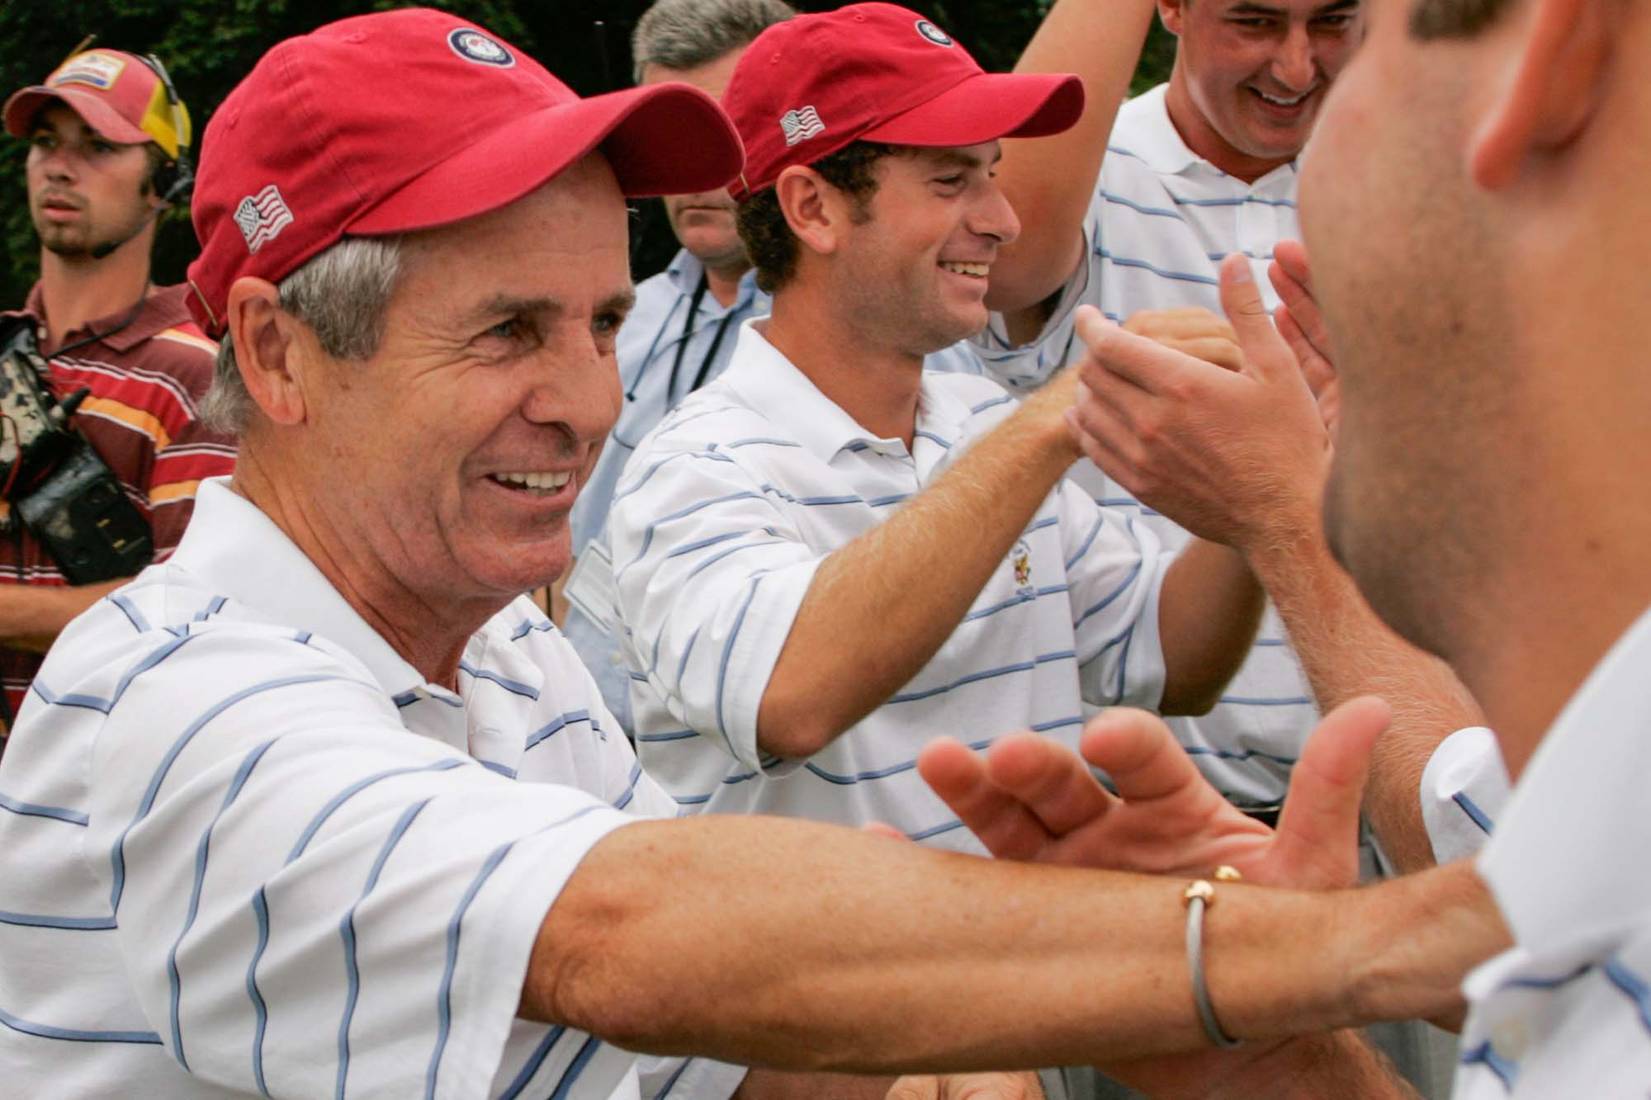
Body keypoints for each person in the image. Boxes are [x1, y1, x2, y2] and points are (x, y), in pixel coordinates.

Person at [0, 9, 1502, 1099]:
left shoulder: (503, 654)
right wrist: (1332, 946)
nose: (591, 401)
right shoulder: (178, 693)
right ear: (273, 348)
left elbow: (719, 1044)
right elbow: (624, 930)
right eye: (509, 331)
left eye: (600, 322)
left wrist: (966, 1049)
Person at [934, 0, 1651, 1085]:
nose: (1301, 72)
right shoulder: (1583, 802)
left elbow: (1496, 850)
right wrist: (1299, 1059)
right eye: (1255, 21)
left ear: (1557, 59)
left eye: (1356, 33)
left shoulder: (1571, 824)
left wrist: (1281, 500)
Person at [607, 2, 1306, 849]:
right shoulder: (693, 466)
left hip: (1025, 973)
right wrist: (1058, 415)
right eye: (951, 181)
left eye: (992, 173)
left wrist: (1267, 477)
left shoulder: (978, 422)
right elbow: (787, 697)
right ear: (812, 208)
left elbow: (1170, 660)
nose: (1002, 221)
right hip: (819, 987)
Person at [971, 0, 1492, 884]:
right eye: (1252, 22)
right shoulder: (1084, 170)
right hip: (1147, 830)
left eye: (1331, 23)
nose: (1294, 69)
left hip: (1414, 821)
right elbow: (1007, 258)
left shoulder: (1426, 179)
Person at [562, 0, 982, 735]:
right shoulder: (618, 323)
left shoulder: (914, 333)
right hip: (604, 741)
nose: (698, 172)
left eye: (724, 132)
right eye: (676, 138)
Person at [0, 47, 236, 732]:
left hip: (95, 802)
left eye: (99, 145)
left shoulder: (194, 374)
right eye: (45, 143)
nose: (60, 166)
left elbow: (195, 611)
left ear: (164, 182)